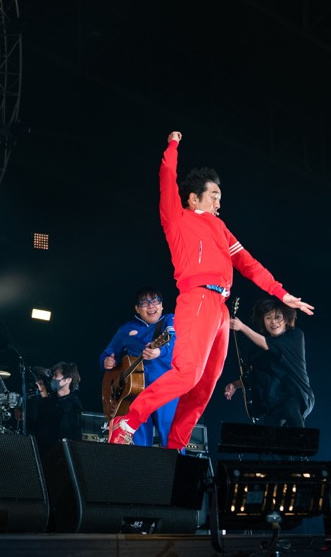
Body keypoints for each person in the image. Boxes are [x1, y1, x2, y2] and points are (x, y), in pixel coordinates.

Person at [109, 131, 314, 448]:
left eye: (220, 196)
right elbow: (167, 177)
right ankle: (128, 421)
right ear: (194, 198)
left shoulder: (221, 229)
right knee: (187, 373)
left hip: (220, 308)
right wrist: (173, 146)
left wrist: (282, 294)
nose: (219, 202)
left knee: (205, 385)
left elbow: (248, 264)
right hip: (198, 298)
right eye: (214, 195)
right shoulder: (178, 218)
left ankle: (175, 447)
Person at [100, 286, 178, 447]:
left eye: (155, 301)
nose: (151, 306)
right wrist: (106, 361)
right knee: (139, 440)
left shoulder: (170, 320)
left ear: (162, 305)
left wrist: (160, 351)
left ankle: (177, 465)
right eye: (145, 303)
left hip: (166, 388)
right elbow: (108, 353)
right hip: (135, 392)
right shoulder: (126, 329)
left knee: (170, 435)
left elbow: (175, 342)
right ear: (137, 308)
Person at [223, 297, 314, 427]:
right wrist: (235, 384)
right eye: (268, 318)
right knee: (269, 428)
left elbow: (266, 344)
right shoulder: (258, 350)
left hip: (296, 394)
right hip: (274, 400)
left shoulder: (295, 336)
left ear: (286, 319)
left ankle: (302, 439)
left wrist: (242, 327)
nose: (273, 322)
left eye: (278, 317)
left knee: (290, 409)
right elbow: (255, 375)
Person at [29, 361, 84, 455]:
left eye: (56, 375)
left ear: (68, 380)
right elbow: (40, 424)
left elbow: (55, 422)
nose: (53, 378)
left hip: (61, 454)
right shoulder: (53, 400)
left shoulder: (73, 404)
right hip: (44, 451)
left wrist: (44, 396)